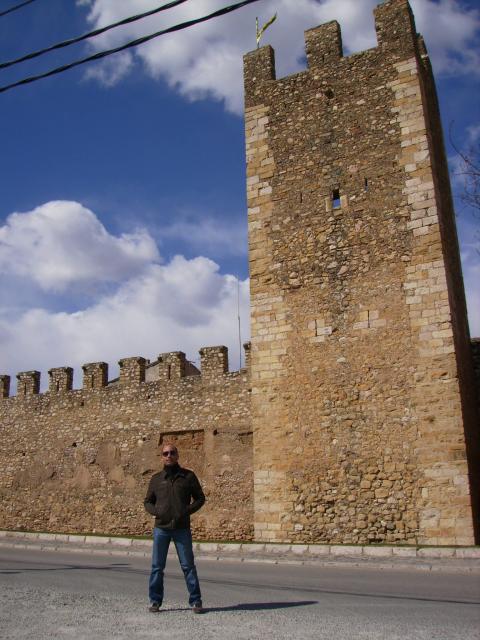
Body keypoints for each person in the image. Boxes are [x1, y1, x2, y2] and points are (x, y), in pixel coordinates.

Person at [144, 444, 205, 614]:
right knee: (157, 566)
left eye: (172, 453)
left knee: (188, 566)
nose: (168, 455)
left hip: (181, 528)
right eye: (165, 453)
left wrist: (186, 511)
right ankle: (155, 601)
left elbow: (200, 498)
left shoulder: (188, 476)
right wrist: (157, 512)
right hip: (161, 528)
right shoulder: (156, 479)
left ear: (177, 455)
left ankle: (196, 600)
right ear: (162, 457)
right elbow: (147, 501)